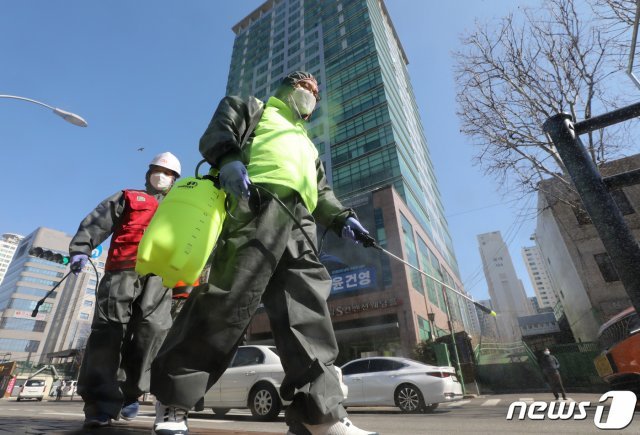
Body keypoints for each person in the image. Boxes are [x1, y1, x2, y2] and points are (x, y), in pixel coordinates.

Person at [151, 72, 377, 435]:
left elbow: (322, 191)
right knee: (229, 301)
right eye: (305, 86)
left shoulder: (308, 144)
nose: (312, 93)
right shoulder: (253, 108)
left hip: (301, 223)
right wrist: (228, 159)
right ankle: (173, 400)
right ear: (286, 87)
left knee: (307, 313)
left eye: (317, 92)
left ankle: (318, 416)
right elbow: (220, 130)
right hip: (255, 204)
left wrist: (342, 217)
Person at [68, 152, 181, 428]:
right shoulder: (128, 196)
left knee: (153, 329)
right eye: (157, 170)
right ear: (148, 172)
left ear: (175, 180)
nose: (161, 176)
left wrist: (185, 284)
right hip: (122, 269)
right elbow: (99, 221)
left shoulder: (181, 207)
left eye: (167, 173)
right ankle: (99, 403)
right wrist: (81, 248)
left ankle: (130, 392)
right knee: (109, 331)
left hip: (160, 276)